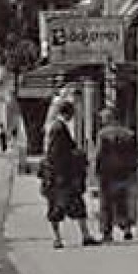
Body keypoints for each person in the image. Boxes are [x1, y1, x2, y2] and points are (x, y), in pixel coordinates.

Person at [40, 95, 100, 249]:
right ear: (68, 113)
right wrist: (77, 156)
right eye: (72, 114)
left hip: (57, 176)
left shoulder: (55, 127)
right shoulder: (59, 129)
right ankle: (72, 237)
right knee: (70, 206)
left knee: (60, 207)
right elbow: (57, 154)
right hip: (62, 176)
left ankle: (64, 238)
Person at [93, 110, 138, 242]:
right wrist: (132, 166)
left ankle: (107, 232)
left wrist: (96, 170)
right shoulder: (129, 134)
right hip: (125, 173)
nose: (102, 121)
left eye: (103, 119)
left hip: (107, 173)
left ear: (108, 119)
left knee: (106, 203)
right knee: (124, 201)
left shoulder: (102, 135)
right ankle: (127, 228)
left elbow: (99, 154)